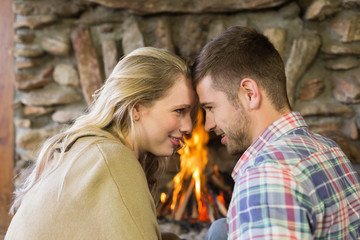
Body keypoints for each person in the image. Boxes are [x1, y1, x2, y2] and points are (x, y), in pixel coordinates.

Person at [5, 47, 197, 240]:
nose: (189, 126)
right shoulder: (112, 159)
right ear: (136, 108)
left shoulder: (90, 150)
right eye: (179, 111)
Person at [193, 26, 360, 239]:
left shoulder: (265, 176)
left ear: (250, 93)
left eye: (210, 108)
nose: (208, 125)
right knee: (219, 230)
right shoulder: (327, 148)